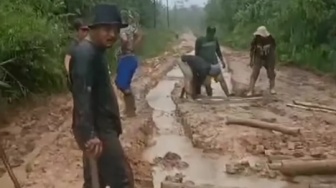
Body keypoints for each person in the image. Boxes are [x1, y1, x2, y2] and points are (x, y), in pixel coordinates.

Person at [69, 4, 133, 188]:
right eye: (106, 29)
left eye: (116, 30)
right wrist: (90, 134)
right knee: (123, 181)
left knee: (95, 181)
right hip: (99, 130)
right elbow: (82, 95)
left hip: (100, 127)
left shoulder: (96, 52)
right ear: (93, 29)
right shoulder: (85, 54)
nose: (112, 34)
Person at [115, 10, 143, 117]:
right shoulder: (131, 28)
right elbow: (141, 35)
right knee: (124, 83)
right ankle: (130, 109)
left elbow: (125, 40)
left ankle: (131, 110)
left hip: (126, 57)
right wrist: (134, 46)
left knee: (121, 83)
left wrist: (125, 47)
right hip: (131, 57)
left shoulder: (122, 30)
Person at [195, 26, 230, 97]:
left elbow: (218, 51)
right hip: (205, 66)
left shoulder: (215, 40)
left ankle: (228, 95)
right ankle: (210, 98)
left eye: (213, 33)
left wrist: (222, 61)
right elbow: (197, 53)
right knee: (207, 84)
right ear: (207, 33)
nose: (212, 35)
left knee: (221, 80)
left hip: (214, 64)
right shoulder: (200, 40)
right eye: (210, 33)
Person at [247, 25, 276, 96]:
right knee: (254, 73)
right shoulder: (256, 39)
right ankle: (250, 90)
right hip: (258, 57)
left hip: (269, 57)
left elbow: (273, 49)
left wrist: (272, 62)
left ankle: (272, 88)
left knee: (271, 73)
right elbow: (252, 51)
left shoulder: (270, 39)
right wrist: (251, 61)